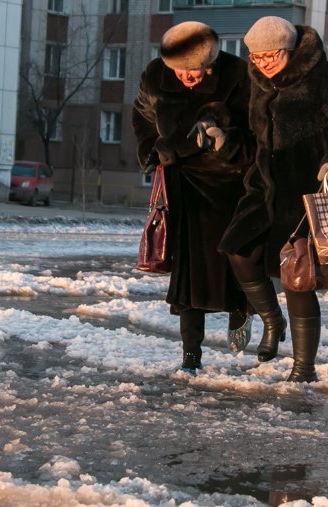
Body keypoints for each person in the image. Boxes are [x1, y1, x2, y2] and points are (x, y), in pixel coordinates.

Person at [219, 16, 328, 382]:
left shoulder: (323, 76)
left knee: (298, 277)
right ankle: (273, 321)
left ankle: (304, 369)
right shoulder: (257, 83)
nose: (263, 63)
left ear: (290, 50)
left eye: (271, 55)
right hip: (263, 189)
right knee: (238, 250)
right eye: (256, 58)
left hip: (307, 192)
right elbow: (252, 139)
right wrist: (225, 141)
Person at [132, 21, 255, 374]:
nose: (187, 76)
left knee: (234, 262)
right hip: (182, 185)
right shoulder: (156, 76)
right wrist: (151, 149)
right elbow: (141, 115)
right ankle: (190, 353)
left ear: (211, 62)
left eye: (194, 70)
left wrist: (224, 141)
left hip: (229, 183)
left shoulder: (237, 75)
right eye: (180, 71)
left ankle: (239, 315)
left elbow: (253, 130)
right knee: (188, 272)